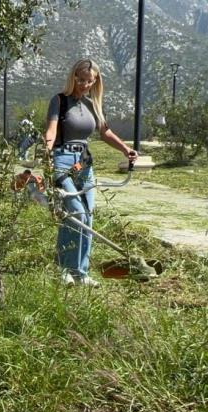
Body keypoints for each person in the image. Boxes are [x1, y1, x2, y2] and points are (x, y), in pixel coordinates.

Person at [43, 59, 138, 287]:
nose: (84, 84)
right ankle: (64, 269)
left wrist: (126, 150)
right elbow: (51, 130)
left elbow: (105, 133)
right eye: (80, 79)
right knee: (75, 213)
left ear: (95, 81)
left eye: (89, 80)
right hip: (62, 160)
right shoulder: (59, 101)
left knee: (88, 216)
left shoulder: (92, 105)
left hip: (84, 163)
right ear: (72, 76)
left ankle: (81, 272)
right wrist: (46, 155)